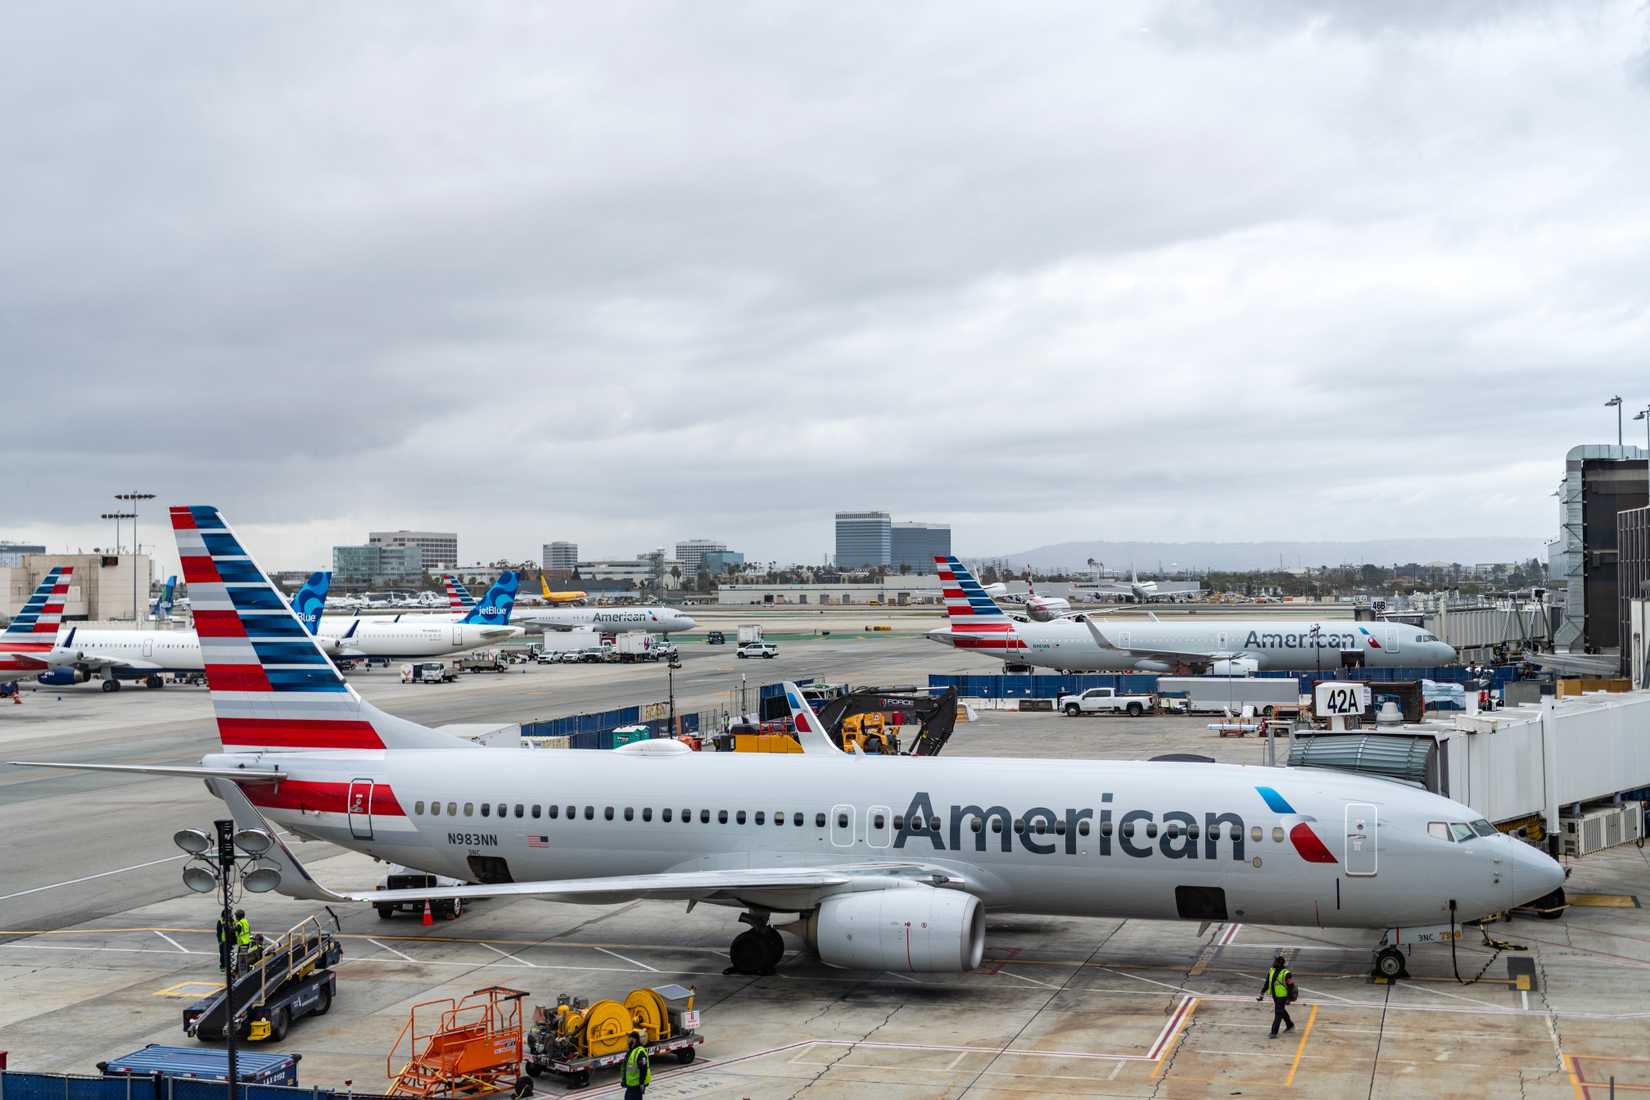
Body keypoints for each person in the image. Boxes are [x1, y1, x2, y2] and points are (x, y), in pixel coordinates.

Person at [1258, 954, 1295, 1038]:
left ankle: (1274, 1032)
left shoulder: (1286, 973)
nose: (1273, 963)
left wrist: (1289, 998)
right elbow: (1267, 982)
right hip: (1275, 995)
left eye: (1275, 961)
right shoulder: (1271, 970)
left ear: (1279, 963)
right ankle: (1290, 1025)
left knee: (1278, 1012)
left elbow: (1291, 985)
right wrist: (1262, 993)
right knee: (1281, 1010)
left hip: (1283, 996)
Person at [622, 1031, 651, 1098]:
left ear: (634, 1039)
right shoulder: (631, 1050)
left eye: (629, 1038)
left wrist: (642, 1083)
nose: (627, 1040)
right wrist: (624, 1080)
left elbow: (644, 1068)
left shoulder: (640, 1052)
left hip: (636, 1085)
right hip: (630, 1085)